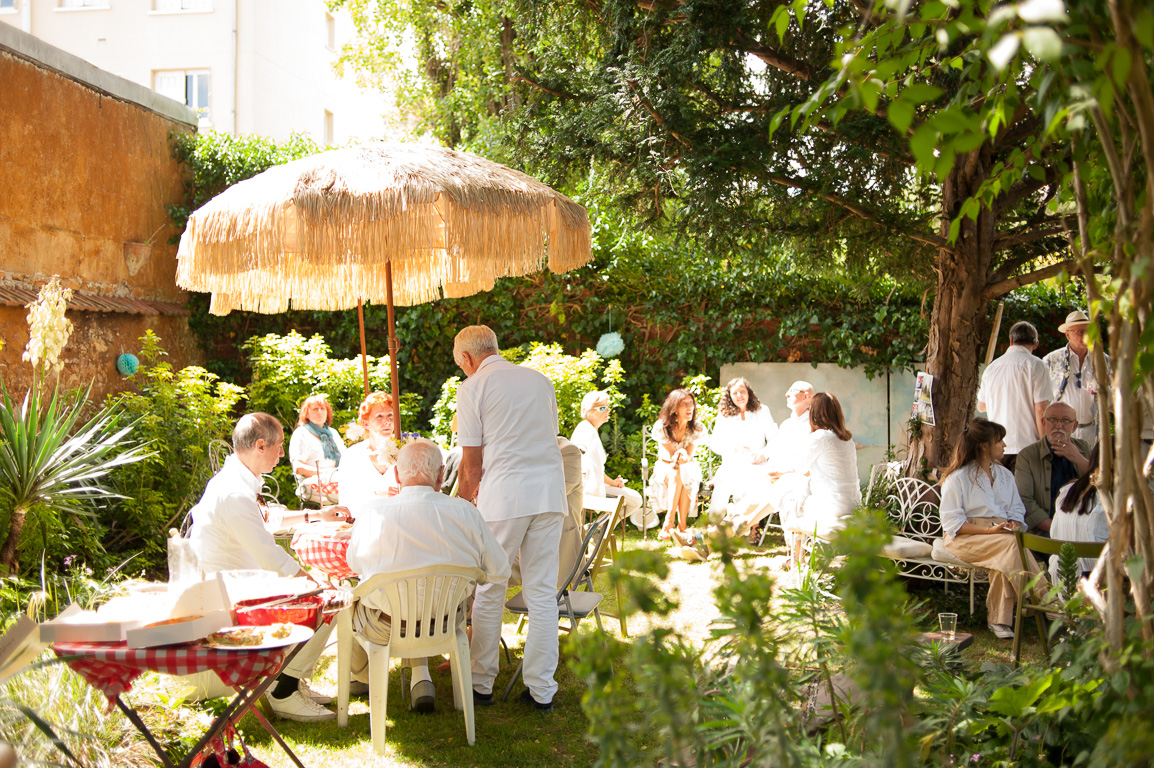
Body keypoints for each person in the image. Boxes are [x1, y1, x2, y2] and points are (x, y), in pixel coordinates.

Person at [188, 412, 350, 722]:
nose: (281, 454)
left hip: (239, 585)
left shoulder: (236, 479)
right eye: (278, 447)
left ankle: (290, 679)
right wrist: (318, 588)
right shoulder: (233, 492)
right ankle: (282, 690)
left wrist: (319, 515)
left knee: (323, 593)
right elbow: (270, 557)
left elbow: (267, 520)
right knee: (327, 602)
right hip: (228, 598)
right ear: (260, 446)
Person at [343, 439, 510, 714]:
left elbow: (354, 564)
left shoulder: (373, 512)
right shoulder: (466, 512)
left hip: (387, 626)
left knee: (353, 600)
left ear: (396, 475)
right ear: (442, 474)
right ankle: (417, 676)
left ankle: (361, 676)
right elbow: (499, 570)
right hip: (444, 622)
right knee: (413, 598)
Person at [453, 325, 568, 712]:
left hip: (505, 497)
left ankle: (480, 683)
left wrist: (459, 506)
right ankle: (542, 691)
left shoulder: (472, 389)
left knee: (490, 588)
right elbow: (549, 439)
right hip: (550, 493)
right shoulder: (540, 380)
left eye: (460, 364)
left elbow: (471, 466)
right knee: (541, 593)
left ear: (467, 359)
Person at [938, 418, 1045, 639]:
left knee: (1005, 554)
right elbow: (952, 523)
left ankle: (999, 621)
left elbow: (1017, 509)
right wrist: (990, 532)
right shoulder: (957, 478)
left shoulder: (1005, 475)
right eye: (1000, 441)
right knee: (1009, 546)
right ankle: (1047, 601)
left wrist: (1013, 524)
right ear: (985, 446)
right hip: (965, 537)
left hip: (1003, 535)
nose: (1005, 446)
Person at [722, 380, 814, 537]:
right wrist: (761, 455)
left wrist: (780, 472)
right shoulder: (788, 424)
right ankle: (707, 539)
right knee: (747, 504)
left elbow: (807, 465)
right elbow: (773, 448)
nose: (787, 393)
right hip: (778, 478)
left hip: (795, 482)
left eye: (792, 390)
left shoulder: (813, 425)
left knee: (749, 505)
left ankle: (705, 539)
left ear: (806, 396)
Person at [780, 393, 862, 560]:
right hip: (853, 503)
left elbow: (799, 467)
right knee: (799, 490)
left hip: (831, 506)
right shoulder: (847, 440)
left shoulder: (821, 436)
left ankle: (797, 557)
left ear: (815, 413)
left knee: (792, 497)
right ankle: (798, 557)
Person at [571, 391, 654, 530]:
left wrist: (613, 482)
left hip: (590, 486)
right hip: (586, 491)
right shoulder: (586, 431)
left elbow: (595, 469)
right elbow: (588, 468)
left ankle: (595, 531)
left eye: (607, 407)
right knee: (635, 500)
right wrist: (613, 483)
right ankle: (595, 531)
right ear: (589, 412)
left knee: (634, 498)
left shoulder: (589, 430)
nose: (607, 410)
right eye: (602, 408)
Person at [976, 320, 1051, 472]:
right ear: (1035, 344)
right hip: (1027, 445)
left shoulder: (992, 368)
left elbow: (981, 406)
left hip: (996, 446)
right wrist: (1045, 445)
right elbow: (1041, 409)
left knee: (1001, 494)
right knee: (1023, 494)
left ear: (1011, 340)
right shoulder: (1037, 365)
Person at [1014, 403, 1092, 534]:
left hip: (1082, 528)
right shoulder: (1027, 455)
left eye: (1065, 421)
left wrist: (1077, 458)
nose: (1058, 425)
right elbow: (1024, 500)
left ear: (1074, 426)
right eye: (1053, 420)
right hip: (1045, 530)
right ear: (1043, 422)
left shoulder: (1083, 448)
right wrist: (1057, 530)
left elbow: (1102, 483)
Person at [706, 378, 778, 516]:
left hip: (757, 463)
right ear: (730, 396)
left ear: (748, 393)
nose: (739, 395)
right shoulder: (724, 414)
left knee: (755, 484)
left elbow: (774, 439)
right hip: (733, 463)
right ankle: (714, 525)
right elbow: (715, 443)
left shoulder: (762, 411)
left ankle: (752, 526)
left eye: (742, 391)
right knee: (723, 483)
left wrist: (764, 453)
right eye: (735, 393)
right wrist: (734, 448)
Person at [650, 389, 706, 541]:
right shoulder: (662, 426)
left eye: (691, 403)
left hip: (687, 465)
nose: (690, 407)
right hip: (665, 466)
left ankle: (669, 524)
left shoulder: (697, 427)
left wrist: (683, 456)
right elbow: (671, 455)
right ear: (674, 408)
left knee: (681, 470)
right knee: (678, 471)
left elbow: (687, 454)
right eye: (684, 404)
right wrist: (679, 457)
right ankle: (681, 526)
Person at [1043, 310, 1107, 444]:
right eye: (1080, 332)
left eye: (1088, 331)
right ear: (1067, 335)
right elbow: (1041, 398)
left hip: (1092, 431)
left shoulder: (1102, 360)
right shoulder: (1051, 360)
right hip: (1061, 431)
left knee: (1089, 464)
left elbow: (1115, 396)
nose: (1085, 336)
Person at [1048, 445, 1108, 583]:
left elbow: (1055, 536)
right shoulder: (1109, 500)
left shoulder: (1067, 491)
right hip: (1097, 586)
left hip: (1063, 583)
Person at [338, 391, 401, 511]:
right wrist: (376, 494)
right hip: (364, 522)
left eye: (390, 415)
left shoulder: (404, 451)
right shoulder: (352, 456)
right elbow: (346, 501)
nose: (387, 421)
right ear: (365, 423)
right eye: (379, 416)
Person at [289, 394, 345, 502]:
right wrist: (326, 474)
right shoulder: (301, 434)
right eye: (315, 409)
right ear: (306, 414)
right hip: (315, 483)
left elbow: (345, 458)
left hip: (337, 479)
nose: (319, 412)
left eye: (322, 409)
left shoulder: (333, 433)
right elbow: (298, 467)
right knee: (353, 492)